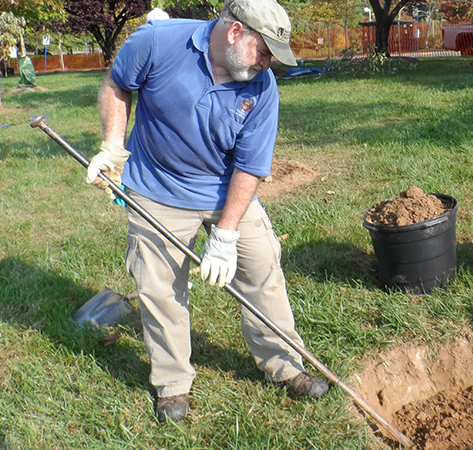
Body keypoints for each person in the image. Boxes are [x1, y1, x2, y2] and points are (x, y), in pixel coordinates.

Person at [87, 0, 329, 423]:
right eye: (264, 52)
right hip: (157, 189)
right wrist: (112, 145)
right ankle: (172, 384)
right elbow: (117, 84)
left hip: (226, 192)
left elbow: (250, 166)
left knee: (262, 270)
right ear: (235, 33)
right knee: (159, 289)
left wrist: (227, 235)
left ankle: (286, 365)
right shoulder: (157, 43)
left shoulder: (262, 86)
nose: (267, 64)